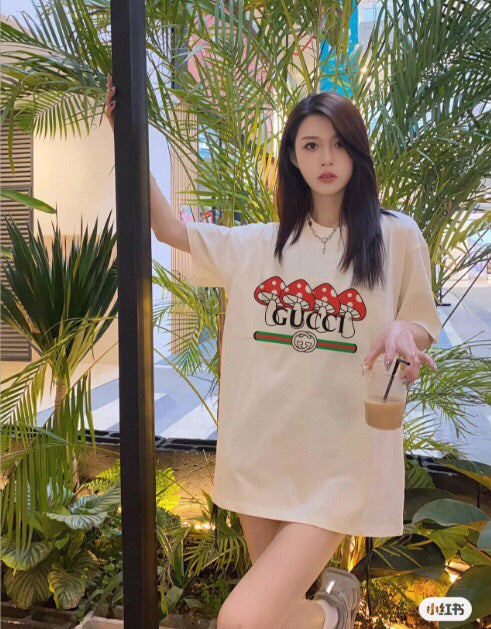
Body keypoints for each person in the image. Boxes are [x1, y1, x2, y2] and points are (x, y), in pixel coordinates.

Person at [105, 75, 442, 629]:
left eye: (338, 144)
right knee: (276, 618)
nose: (326, 158)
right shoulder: (260, 244)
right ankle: (331, 614)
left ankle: (331, 610)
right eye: (311, 145)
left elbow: (423, 322)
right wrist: (128, 135)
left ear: (357, 152)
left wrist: (406, 331)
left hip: (342, 460)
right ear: (292, 157)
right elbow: (167, 229)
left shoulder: (395, 236)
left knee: (241, 619)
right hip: (261, 451)